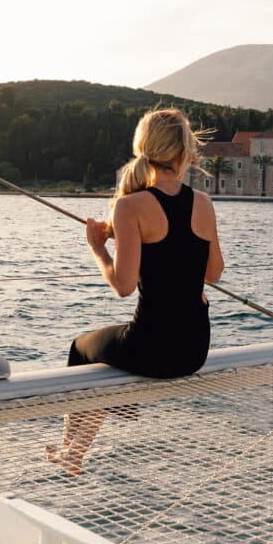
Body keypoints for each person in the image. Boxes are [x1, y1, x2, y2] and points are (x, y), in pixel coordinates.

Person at [46, 108, 224, 476]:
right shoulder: (203, 203)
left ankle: (72, 450)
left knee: (81, 347)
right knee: (112, 351)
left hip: (151, 350)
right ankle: (97, 426)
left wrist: (98, 247)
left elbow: (123, 286)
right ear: (183, 155)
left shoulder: (130, 207)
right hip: (195, 350)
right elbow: (214, 273)